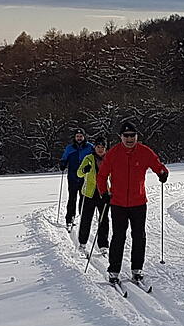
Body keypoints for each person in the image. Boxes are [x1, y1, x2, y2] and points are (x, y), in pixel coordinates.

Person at [96, 122, 168, 284]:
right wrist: (104, 192)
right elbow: (101, 176)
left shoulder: (144, 151)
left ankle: (137, 269)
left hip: (138, 202)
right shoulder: (113, 153)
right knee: (118, 237)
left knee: (139, 236)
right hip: (118, 203)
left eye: (132, 136)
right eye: (126, 136)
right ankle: (114, 271)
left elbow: (157, 164)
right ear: (120, 137)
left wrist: (162, 173)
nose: (129, 139)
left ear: (137, 136)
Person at [76, 140, 111, 258]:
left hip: (104, 193)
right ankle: (82, 243)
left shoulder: (109, 159)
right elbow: (79, 173)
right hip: (89, 193)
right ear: (94, 148)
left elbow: (113, 176)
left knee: (104, 220)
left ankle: (103, 245)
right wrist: (84, 170)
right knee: (86, 219)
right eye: (98, 147)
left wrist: (113, 189)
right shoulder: (89, 158)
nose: (100, 149)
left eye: (102, 147)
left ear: (106, 148)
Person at [59, 128, 94, 230]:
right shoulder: (70, 148)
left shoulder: (90, 147)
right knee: (72, 198)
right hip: (72, 176)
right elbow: (64, 158)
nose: (79, 138)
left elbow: (95, 157)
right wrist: (63, 163)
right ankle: (69, 219)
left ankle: (83, 217)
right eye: (77, 136)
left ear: (84, 137)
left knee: (84, 198)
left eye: (81, 136)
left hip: (85, 177)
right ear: (75, 137)